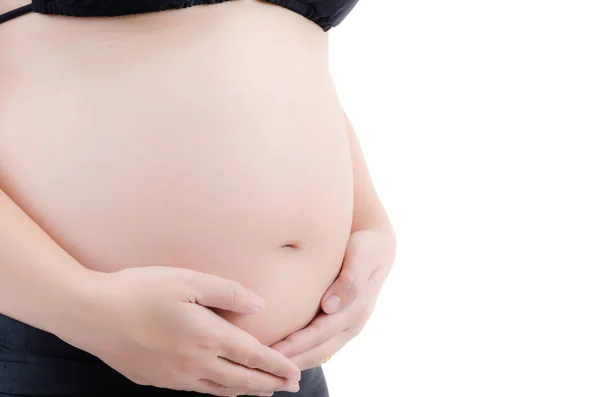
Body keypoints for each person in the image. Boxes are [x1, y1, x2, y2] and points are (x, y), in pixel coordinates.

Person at [0, 1, 396, 396]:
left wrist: (370, 221)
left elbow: (281, 63)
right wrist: (83, 307)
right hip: (75, 355)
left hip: (290, 372)